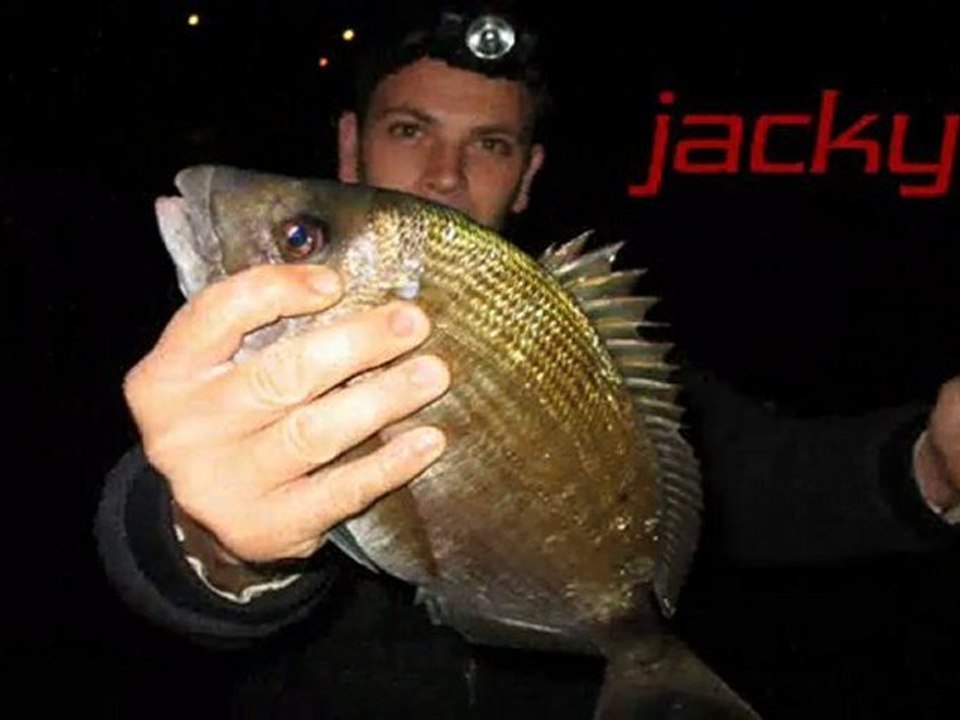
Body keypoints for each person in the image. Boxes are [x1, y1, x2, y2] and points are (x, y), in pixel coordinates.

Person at [95, 5, 960, 717]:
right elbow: (158, 515)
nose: (443, 175)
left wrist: (931, 462)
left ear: (529, 173)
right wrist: (214, 544)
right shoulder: (238, 346)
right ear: (351, 146)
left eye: (491, 145)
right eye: (410, 129)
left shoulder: (583, 337)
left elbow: (753, 473)